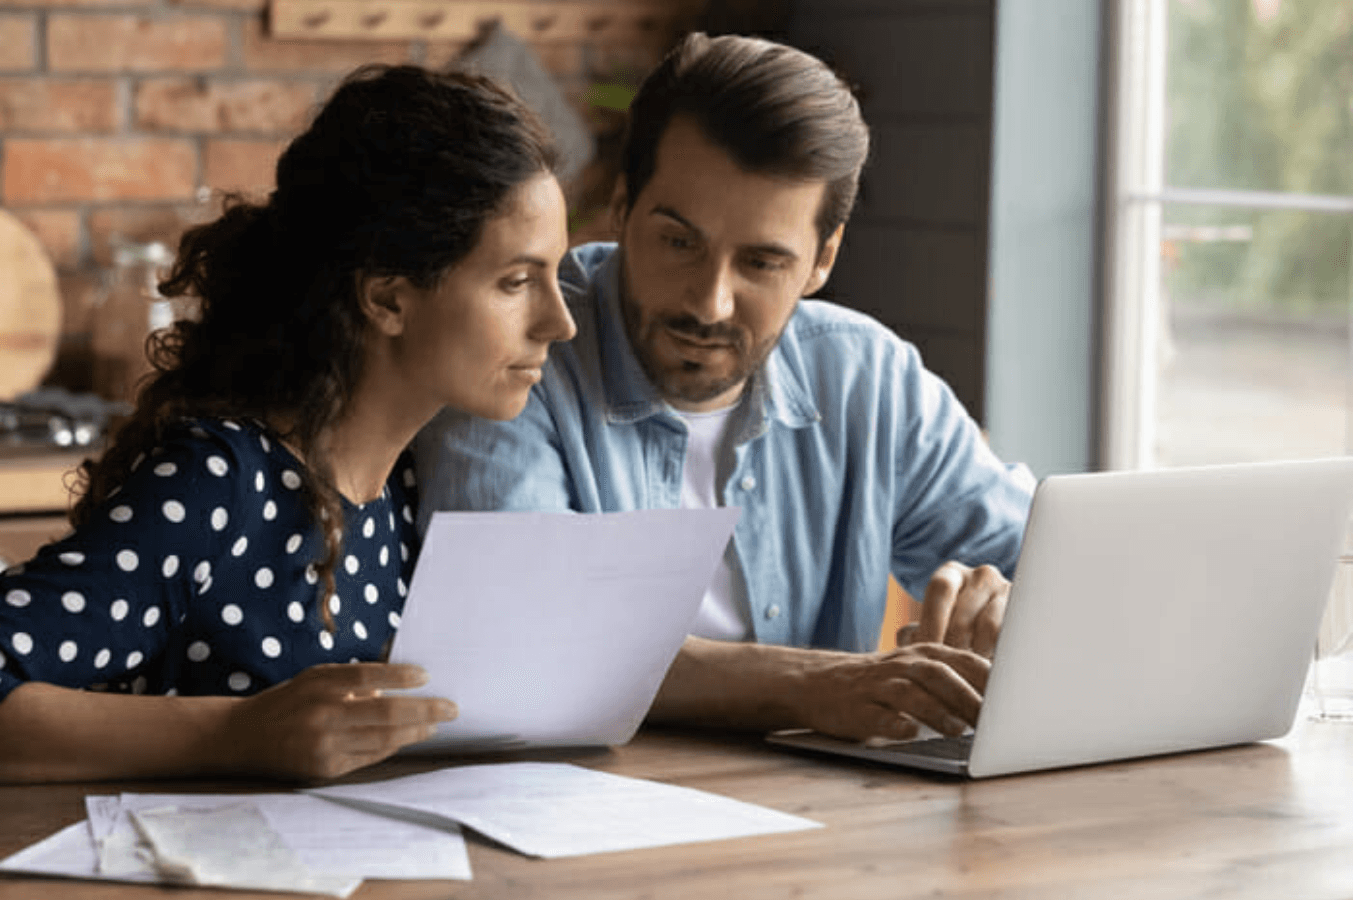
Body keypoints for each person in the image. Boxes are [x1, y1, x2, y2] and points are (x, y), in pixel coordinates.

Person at [0, 64, 576, 783]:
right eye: (517, 282)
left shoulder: (413, 482)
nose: (557, 323)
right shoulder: (220, 485)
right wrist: (236, 730)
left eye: (555, 276)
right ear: (388, 299)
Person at [411, 32, 1035, 744]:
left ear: (821, 261)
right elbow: (526, 640)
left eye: (763, 263)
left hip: (824, 821)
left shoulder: (870, 378)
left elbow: (1053, 566)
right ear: (621, 206)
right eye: (679, 242)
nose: (709, 302)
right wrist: (814, 688)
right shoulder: (521, 356)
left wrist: (1016, 604)